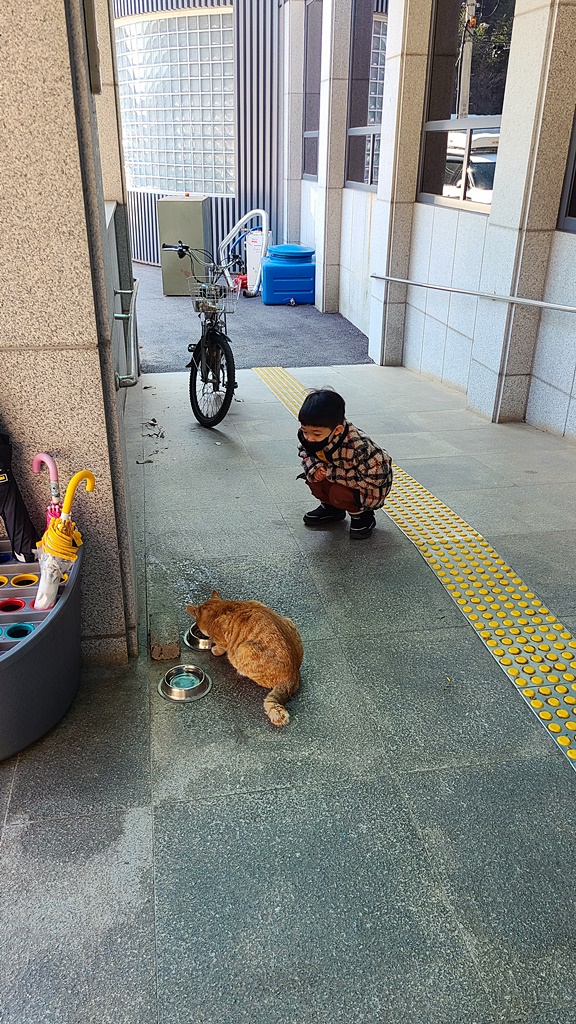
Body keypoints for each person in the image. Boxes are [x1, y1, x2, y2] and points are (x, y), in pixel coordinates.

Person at [297, 388, 393, 539]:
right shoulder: (310, 434)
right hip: (338, 475)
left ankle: (362, 516)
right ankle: (331, 509)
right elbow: (305, 452)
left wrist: (331, 473)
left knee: (339, 493)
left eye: (316, 434)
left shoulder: (357, 446)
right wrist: (315, 467)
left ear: (337, 430)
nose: (309, 438)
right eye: (304, 431)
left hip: (368, 488)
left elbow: (377, 475)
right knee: (314, 479)